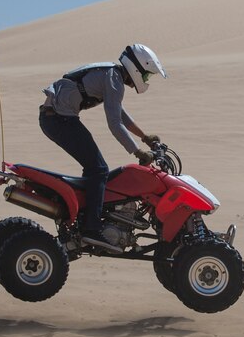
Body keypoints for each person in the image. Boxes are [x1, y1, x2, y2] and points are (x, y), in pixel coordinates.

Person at [39, 44, 167, 251]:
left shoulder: (112, 76)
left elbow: (120, 115)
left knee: (95, 168)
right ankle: (91, 229)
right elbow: (115, 123)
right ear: (136, 68)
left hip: (56, 118)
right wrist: (137, 151)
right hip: (59, 120)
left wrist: (145, 138)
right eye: (145, 76)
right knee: (98, 170)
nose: (144, 81)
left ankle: (86, 221)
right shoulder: (114, 79)